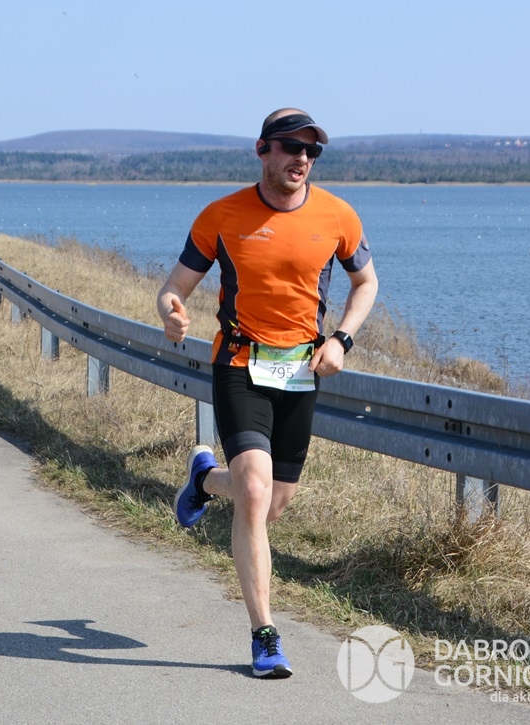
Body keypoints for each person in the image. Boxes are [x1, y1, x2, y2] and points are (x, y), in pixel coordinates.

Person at [156, 108, 378, 679]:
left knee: (272, 503)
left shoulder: (337, 216)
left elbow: (365, 282)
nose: (302, 158)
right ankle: (265, 636)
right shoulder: (222, 215)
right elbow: (175, 286)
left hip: (302, 371)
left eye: (312, 151)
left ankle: (204, 481)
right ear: (262, 150)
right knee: (254, 492)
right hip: (239, 363)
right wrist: (171, 311)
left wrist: (342, 339)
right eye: (290, 147)